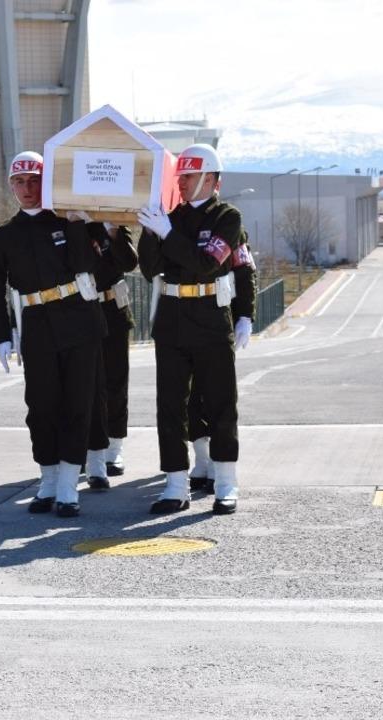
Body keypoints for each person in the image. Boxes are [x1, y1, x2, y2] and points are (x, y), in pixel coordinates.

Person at [0, 150, 106, 518]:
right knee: (40, 406)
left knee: (77, 403)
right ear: (11, 186)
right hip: (35, 324)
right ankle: (48, 479)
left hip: (78, 320)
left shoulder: (69, 221)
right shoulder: (3, 235)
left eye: (34, 180)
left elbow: (86, 265)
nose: (27, 188)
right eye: (19, 181)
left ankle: (69, 485)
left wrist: (75, 223)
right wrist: (2, 335)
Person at [137, 143, 243, 516]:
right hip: (171, 317)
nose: (182, 183)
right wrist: (149, 232)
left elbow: (204, 264)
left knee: (219, 402)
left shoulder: (227, 218)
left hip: (211, 317)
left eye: (190, 176)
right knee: (170, 405)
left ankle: (226, 482)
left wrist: (167, 234)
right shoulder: (172, 218)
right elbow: (150, 269)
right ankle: (175, 484)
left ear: (212, 180)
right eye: (180, 176)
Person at [188, 229, 255, 492]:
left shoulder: (230, 227)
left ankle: (218, 461)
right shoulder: (179, 222)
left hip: (219, 317)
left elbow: (245, 272)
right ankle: (202, 457)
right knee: (190, 397)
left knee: (217, 394)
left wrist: (245, 316)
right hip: (182, 318)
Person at [84, 222, 138, 487]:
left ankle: (114, 448)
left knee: (115, 382)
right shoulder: (72, 224)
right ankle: (88, 446)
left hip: (113, 312)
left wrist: (114, 232)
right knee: (85, 386)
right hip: (81, 311)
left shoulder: (113, 222)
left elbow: (129, 262)